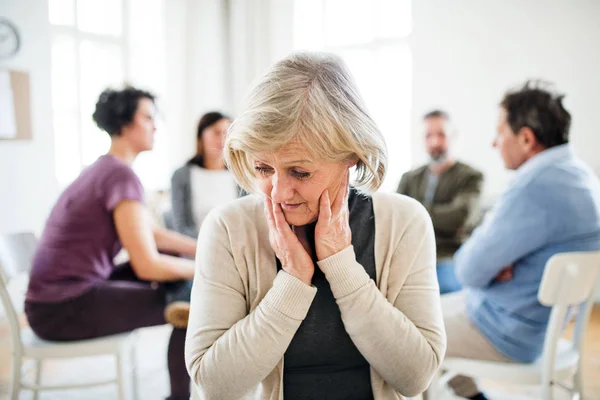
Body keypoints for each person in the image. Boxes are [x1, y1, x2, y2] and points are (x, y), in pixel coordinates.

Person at [185, 52, 446, 400]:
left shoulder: (404, 222)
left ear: (351, 155)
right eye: (264, 169)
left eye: (300, 172)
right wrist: (292, 279)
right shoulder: (228, 229)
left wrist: (341, 266)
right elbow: (214, 384)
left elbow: (416, 377)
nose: (278, 193)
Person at [25, 87, 197, 400]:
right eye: (147, 117)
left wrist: (201, 248)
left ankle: (178, 297)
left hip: (52, 301)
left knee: (177, 277)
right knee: (192, 305)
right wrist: (200, 268)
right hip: (63, 308)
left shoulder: (103, 169)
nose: (154, 126)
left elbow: (150, 235)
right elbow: (147, 264)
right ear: (125, 123)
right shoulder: (120, 175)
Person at [431, 81, 600, 400]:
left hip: (508, 332)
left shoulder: (532, 187)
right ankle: (471, 396)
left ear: (525, 138)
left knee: (411, 330)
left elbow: (468, 270)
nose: (494, 143)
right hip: (542, 325)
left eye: (500, 132)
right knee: (431, 307)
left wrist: (494, 263)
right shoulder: (582, 176)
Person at [397, 110, 483, 294]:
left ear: (453, 136)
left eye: (441, 135)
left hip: (447, 257)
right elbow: (395, 217)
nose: (435, 142)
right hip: (408, 257)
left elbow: (460, 217)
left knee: (442, 291)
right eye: (429, 136)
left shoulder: (471, 177)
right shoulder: (409, 178)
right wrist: (440, 216)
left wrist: (413, 213)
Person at [170, 112, 241, 239]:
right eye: (216, 132)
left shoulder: (239, 175)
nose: (222, 139)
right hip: (194, 250)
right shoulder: (182, 175)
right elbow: (180, 225)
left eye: (227, 133)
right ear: (201, 135)